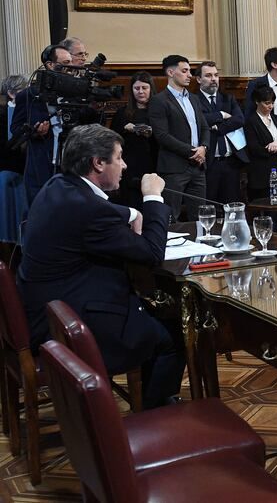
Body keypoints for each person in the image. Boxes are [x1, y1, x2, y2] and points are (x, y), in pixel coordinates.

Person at [18, 124, 184, 408]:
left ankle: (147, 400)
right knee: (173, 333)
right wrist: (153, 197)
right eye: (119, 158)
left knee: (157, 312)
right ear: (98, 163)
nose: (125, 165)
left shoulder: (58, 185)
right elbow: (152, 253)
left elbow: (99, 211)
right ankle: (154, 415)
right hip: (66, 324)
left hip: (45, 306)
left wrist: (130, 212)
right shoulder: (88, 210)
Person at [11, 45, 79, 204]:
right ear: (50, 65)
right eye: (64, 63)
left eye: (70, 62)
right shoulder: (28, 95)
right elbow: (15, 129)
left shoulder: (75, 93)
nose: (69, 68)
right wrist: (34, 132)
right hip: (41, 165)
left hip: (70, 166)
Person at [148, 55, 210, 220]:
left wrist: (204, 147)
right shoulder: (159, 101)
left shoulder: (194, 99)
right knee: (171, 216)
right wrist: (193, 151)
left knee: (200, 217)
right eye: (184, 71)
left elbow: (204, 127)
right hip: (174, 167)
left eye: (189, 71)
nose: (189, 75)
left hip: (198, 166)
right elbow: (162, 135)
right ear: (170, 72)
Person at [195, 61, 247, 205]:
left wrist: (218, 128)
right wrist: (221, 115)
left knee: (232, 207)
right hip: (209, 163)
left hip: (231, 161)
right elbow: (200, 120)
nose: (213, 79)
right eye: (208, 75)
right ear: (199, 79)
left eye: (216, 75)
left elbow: (240, 119)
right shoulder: (194, 100)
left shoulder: (227, 98)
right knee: (210, 206)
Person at [110, 71, 159, 210]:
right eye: (136, 88)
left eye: (144, 88)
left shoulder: (158, 111)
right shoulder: (123, 113)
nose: (141, 92)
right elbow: (112, 139)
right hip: (129, 167)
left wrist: (151, 132)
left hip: (153, 164)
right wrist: (126, 129)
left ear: (151, 89)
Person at [244, 84, 277, 200]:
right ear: (257, 102)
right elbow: (254, 149)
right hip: (262, 176)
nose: (271, 106)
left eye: (272, 102)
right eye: (267, 103)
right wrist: (275, 148)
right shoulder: (251, 122)